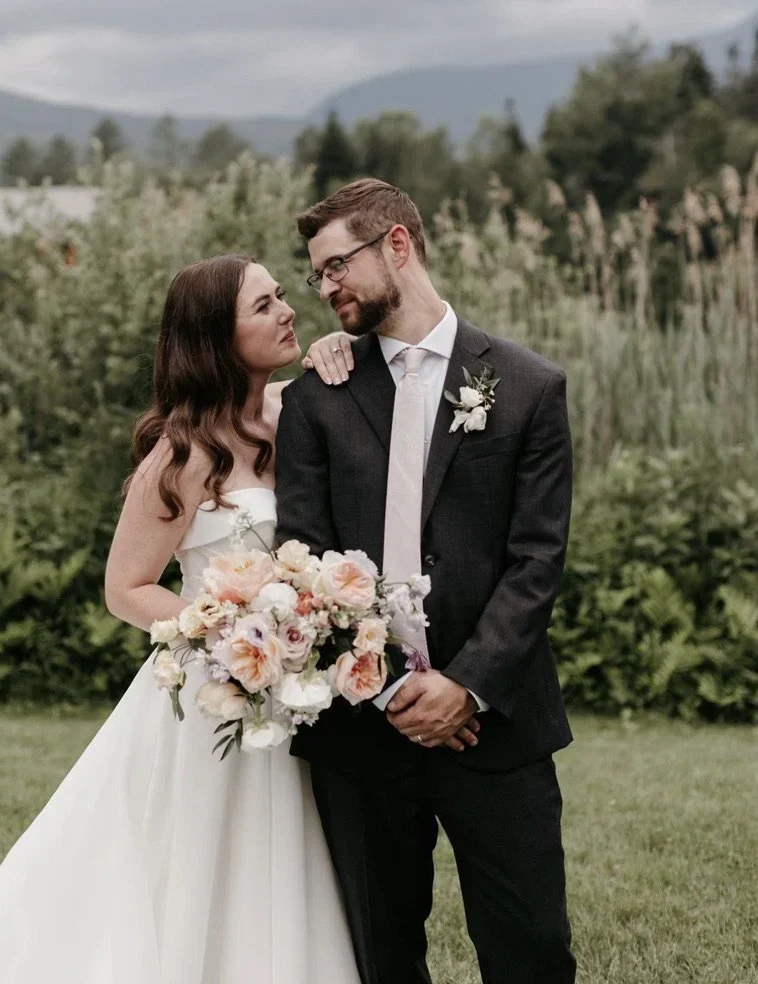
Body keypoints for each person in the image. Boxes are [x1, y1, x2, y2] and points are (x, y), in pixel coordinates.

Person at [0, 254, 361, 984]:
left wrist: (343, 346)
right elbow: (128, 588)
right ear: (216, 337)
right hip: (213, 695)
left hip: (297, 693)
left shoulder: (297, 410)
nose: (287, 312)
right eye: (264, 305)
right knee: (193, 857)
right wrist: (231, 633)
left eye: (283, 295)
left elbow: (363, 373)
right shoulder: (177, 455)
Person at [275, 178, 577, 984]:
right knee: (381, 956)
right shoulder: (318, 397)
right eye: (317, 275)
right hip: (360, 735)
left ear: (398, 246)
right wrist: (382, 689)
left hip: (495, 726)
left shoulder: (528, 386)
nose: (325, 286)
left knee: (533, 951)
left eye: (337, 265)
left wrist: (465, 688)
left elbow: (537, 561)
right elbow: (302, 557)